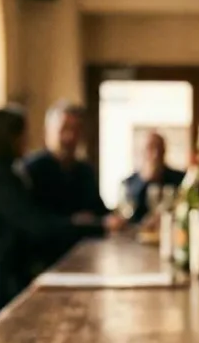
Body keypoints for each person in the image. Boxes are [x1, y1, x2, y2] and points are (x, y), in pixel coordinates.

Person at [0, 108, 81, 343]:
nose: (25, 142)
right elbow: (36, 224)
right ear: (8, 138)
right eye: (22, 136)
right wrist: (83, 225)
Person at [21, 101, 125, 264]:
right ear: (47, 132)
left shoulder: (85, 171)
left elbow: (98, 212)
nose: (69, 137)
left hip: (86, 259)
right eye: (63, 129)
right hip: (43, 263)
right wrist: (78, 223)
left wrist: (118, 219)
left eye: (75, 130)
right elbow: (36, 224)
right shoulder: (31, 170)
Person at [121, 132, 185, 224]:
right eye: (150, 148)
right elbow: (127, 216)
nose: (155, 154)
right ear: (142, 152)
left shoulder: (181, 179)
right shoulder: (128, 183)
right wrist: (144, 180)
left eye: (159, 149)